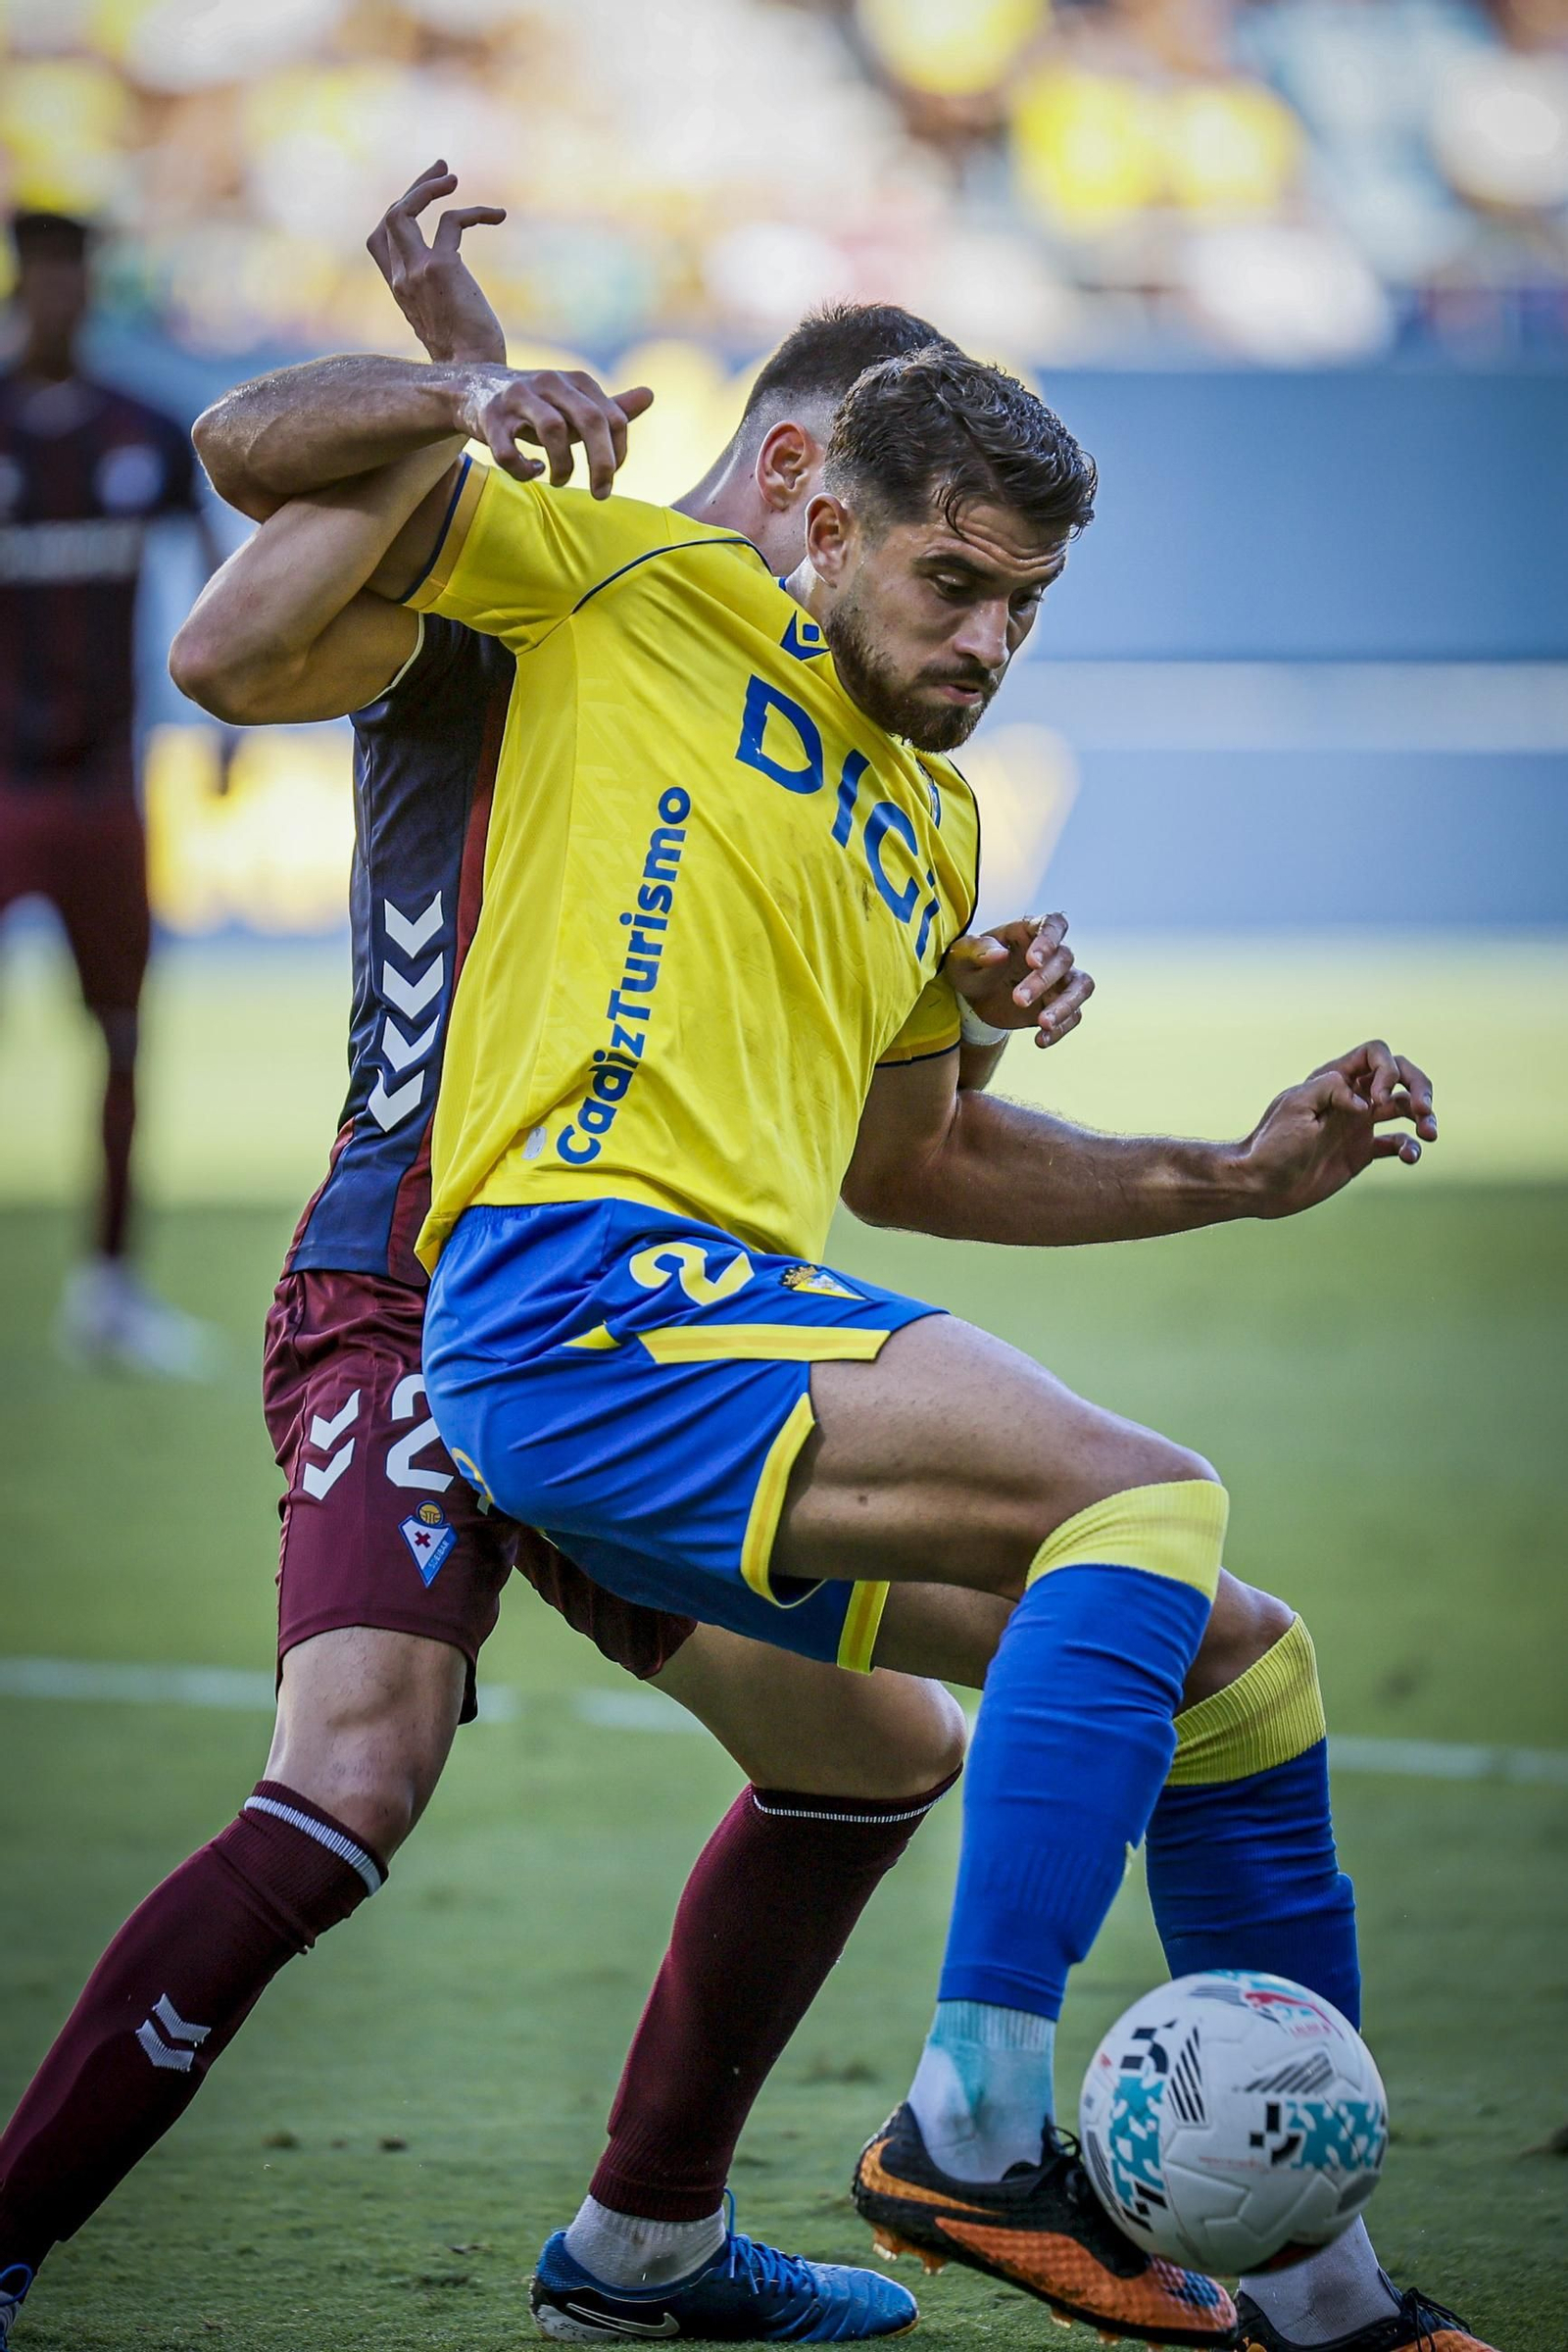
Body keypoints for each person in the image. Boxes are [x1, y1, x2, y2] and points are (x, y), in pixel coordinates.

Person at [202, 224, 1487, 2352]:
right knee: (1141, 1502)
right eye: (951, 582)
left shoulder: (933, 824)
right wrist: (457, 389)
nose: (986, 641)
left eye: (1023, 608)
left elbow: (921, 1164)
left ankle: (1322, 2294)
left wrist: (1236, 1175)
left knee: (1239, 1667)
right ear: (823, 523)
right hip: (565, 1297)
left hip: (710, 1353)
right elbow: (248, 494)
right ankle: (970, 2122)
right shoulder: (632, 584)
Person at [0, 182, 1087, 2352]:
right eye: (886, 524)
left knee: (881, 1747)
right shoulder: (552, 592)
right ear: (806, 473)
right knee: (357, 1769)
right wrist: (453, 380)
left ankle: (645, 2249)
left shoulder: (781, 713)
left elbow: (833, 1099)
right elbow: (239, 631)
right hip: (419, 1276)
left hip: (633, 1318)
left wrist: (947, 991)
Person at [0, 210, 222, 1377]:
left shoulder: (142, 430)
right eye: (42, 276)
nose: (60, 296)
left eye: (75, 276)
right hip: (3, 784)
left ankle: (110, 1288)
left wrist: (232, 714)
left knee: (124, 1036)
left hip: (101, 787)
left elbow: (222, 564)